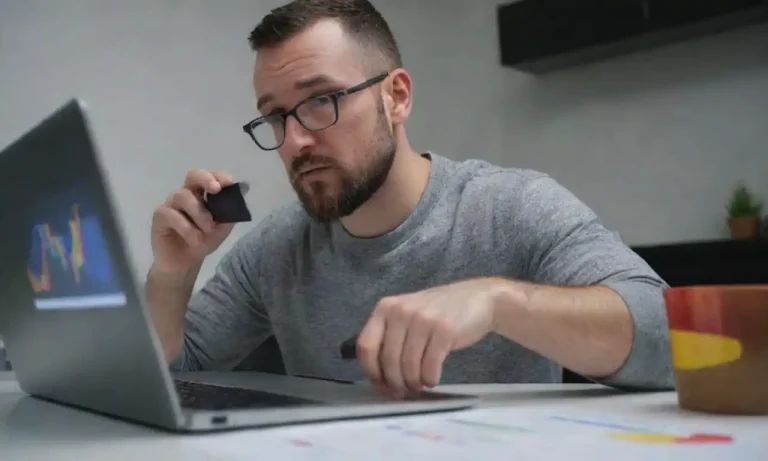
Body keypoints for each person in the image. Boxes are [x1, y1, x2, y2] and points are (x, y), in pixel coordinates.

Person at [146, 0, 674, 399]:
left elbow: (671, 339)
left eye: (321, 101)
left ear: (395, 97)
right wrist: (172, 275)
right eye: (276, 116)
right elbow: (169, 381)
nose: (295, 141)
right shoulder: (276, 248)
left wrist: (496, 301)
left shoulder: (509, 208)